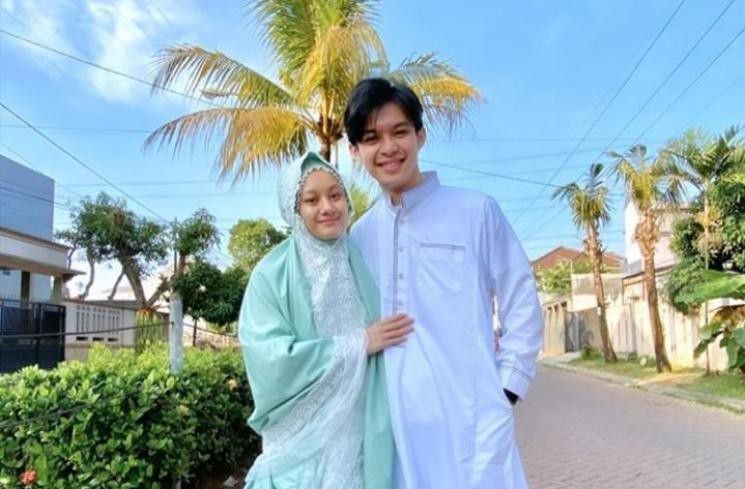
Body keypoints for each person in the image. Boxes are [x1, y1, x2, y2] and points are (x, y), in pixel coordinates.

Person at [346, 78, 544, 488]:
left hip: (471, 423)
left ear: (420, 135)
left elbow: (521, 298)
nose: (388, 148)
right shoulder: (358, 237)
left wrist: (506, 388)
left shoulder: (475, 212)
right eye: (372, 138)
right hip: (392, 430)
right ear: (355, 150)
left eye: (400, 131)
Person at [238, 151, 412, 488]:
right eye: (311, 200)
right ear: (293, 209)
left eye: (335, 195)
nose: (327, 207)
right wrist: (360, 343)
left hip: (362, 426)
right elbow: (269, 359)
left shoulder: (366, 259)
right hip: (303, 440)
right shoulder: (271, 274)